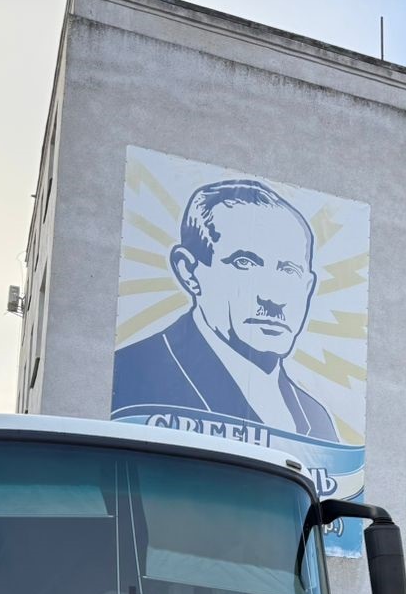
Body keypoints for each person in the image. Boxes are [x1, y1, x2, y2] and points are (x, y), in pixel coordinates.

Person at [111, 178, 337, 442]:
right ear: (189, 271)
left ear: (308, 287)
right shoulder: (135, 374)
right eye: (245, 263)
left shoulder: (316, 419)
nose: (273, 298)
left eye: (289, 270)